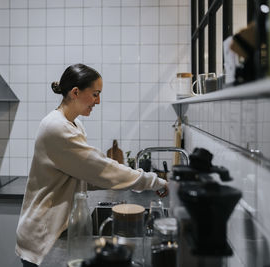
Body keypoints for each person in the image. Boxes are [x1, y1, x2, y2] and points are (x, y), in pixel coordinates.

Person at [15, 63, 168, 266]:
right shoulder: (56, 128)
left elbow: (86, 173)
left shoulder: (75, 124)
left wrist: (131, 181)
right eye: (95, 94)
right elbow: (101, 169)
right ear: (76, 92)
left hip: (57, 228)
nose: (98, 101)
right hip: (44, 235)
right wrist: (153, 181)